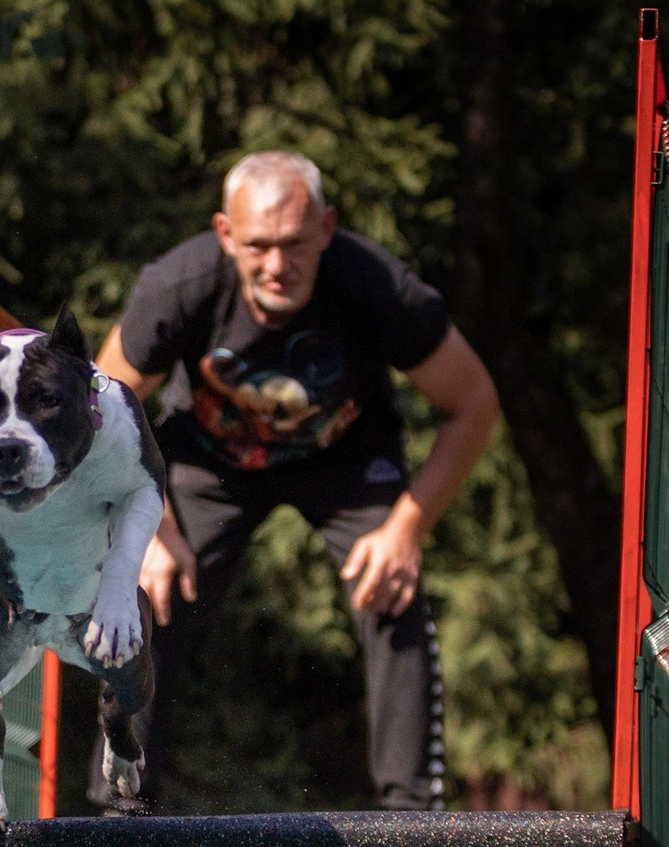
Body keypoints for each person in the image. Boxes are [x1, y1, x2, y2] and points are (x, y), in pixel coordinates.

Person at [89, 151, 500, 813]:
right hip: (206, 461)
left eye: (295, 246)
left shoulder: (379, 289)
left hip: (346, 460)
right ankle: (120, 804)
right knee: (144, 579)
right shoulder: (179, 285)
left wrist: (406, 529)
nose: (277, 266)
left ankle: (410, 813)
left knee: (393, 583)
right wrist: (152, 526)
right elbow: (103, 408)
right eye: (258, 246)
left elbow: (474, 400)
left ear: (328, 228)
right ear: (225, 234)